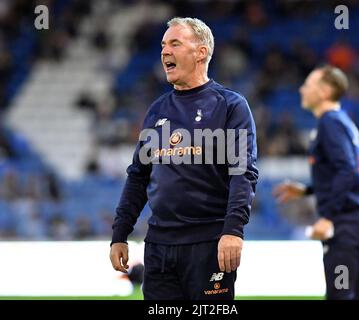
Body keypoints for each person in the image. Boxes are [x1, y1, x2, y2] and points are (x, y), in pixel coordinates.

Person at [109, 17, 258, 300]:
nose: (165, 51)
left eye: (175, 43)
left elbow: (243, 172)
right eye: (163, 45)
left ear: (201, 52)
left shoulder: (231, 106)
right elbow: (138, 175)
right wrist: (120, 233)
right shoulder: (157, 110)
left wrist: (233, 231)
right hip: (159, 248)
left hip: (209, 245)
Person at [273, 65, 359, 300]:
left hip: (344, 223)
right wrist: (307, 190)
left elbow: (347, 170)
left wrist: (328, 216)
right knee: (351, 294)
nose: (301, 89)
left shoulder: (331, 123)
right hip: (353, 221)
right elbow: (346, 171)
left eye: (308, 84)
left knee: (340, 295)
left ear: (325, 91)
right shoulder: (340, 121)